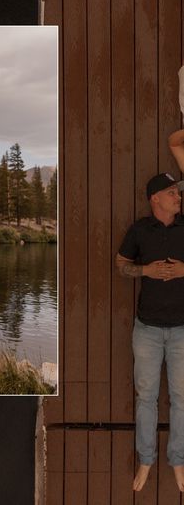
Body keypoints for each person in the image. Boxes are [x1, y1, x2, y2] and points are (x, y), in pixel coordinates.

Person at [116, 173, 184, 492]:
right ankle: (146, 459)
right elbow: (120, 264)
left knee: (181, 399)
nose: (178, 197)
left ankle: (179, 460)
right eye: (172, 192)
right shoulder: (140, 229)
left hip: (183, 330)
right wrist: (146, 270)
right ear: (155, 198)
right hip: (147, 330)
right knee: (147, 398)